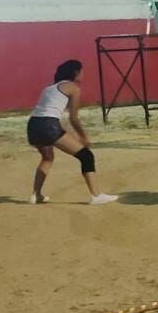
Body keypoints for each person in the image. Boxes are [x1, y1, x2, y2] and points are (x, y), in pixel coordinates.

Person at [28, 60, 117, 205]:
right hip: (48, 125)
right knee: (86, 156)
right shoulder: (73, 88)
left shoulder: (49, 88)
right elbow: (73, 118)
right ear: (75, 73)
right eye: (82, 71)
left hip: (33, 125)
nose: (83, 74)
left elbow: (47, 112)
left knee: (47, 158)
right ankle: (96, 196)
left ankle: (35, 195)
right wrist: (83, 137)